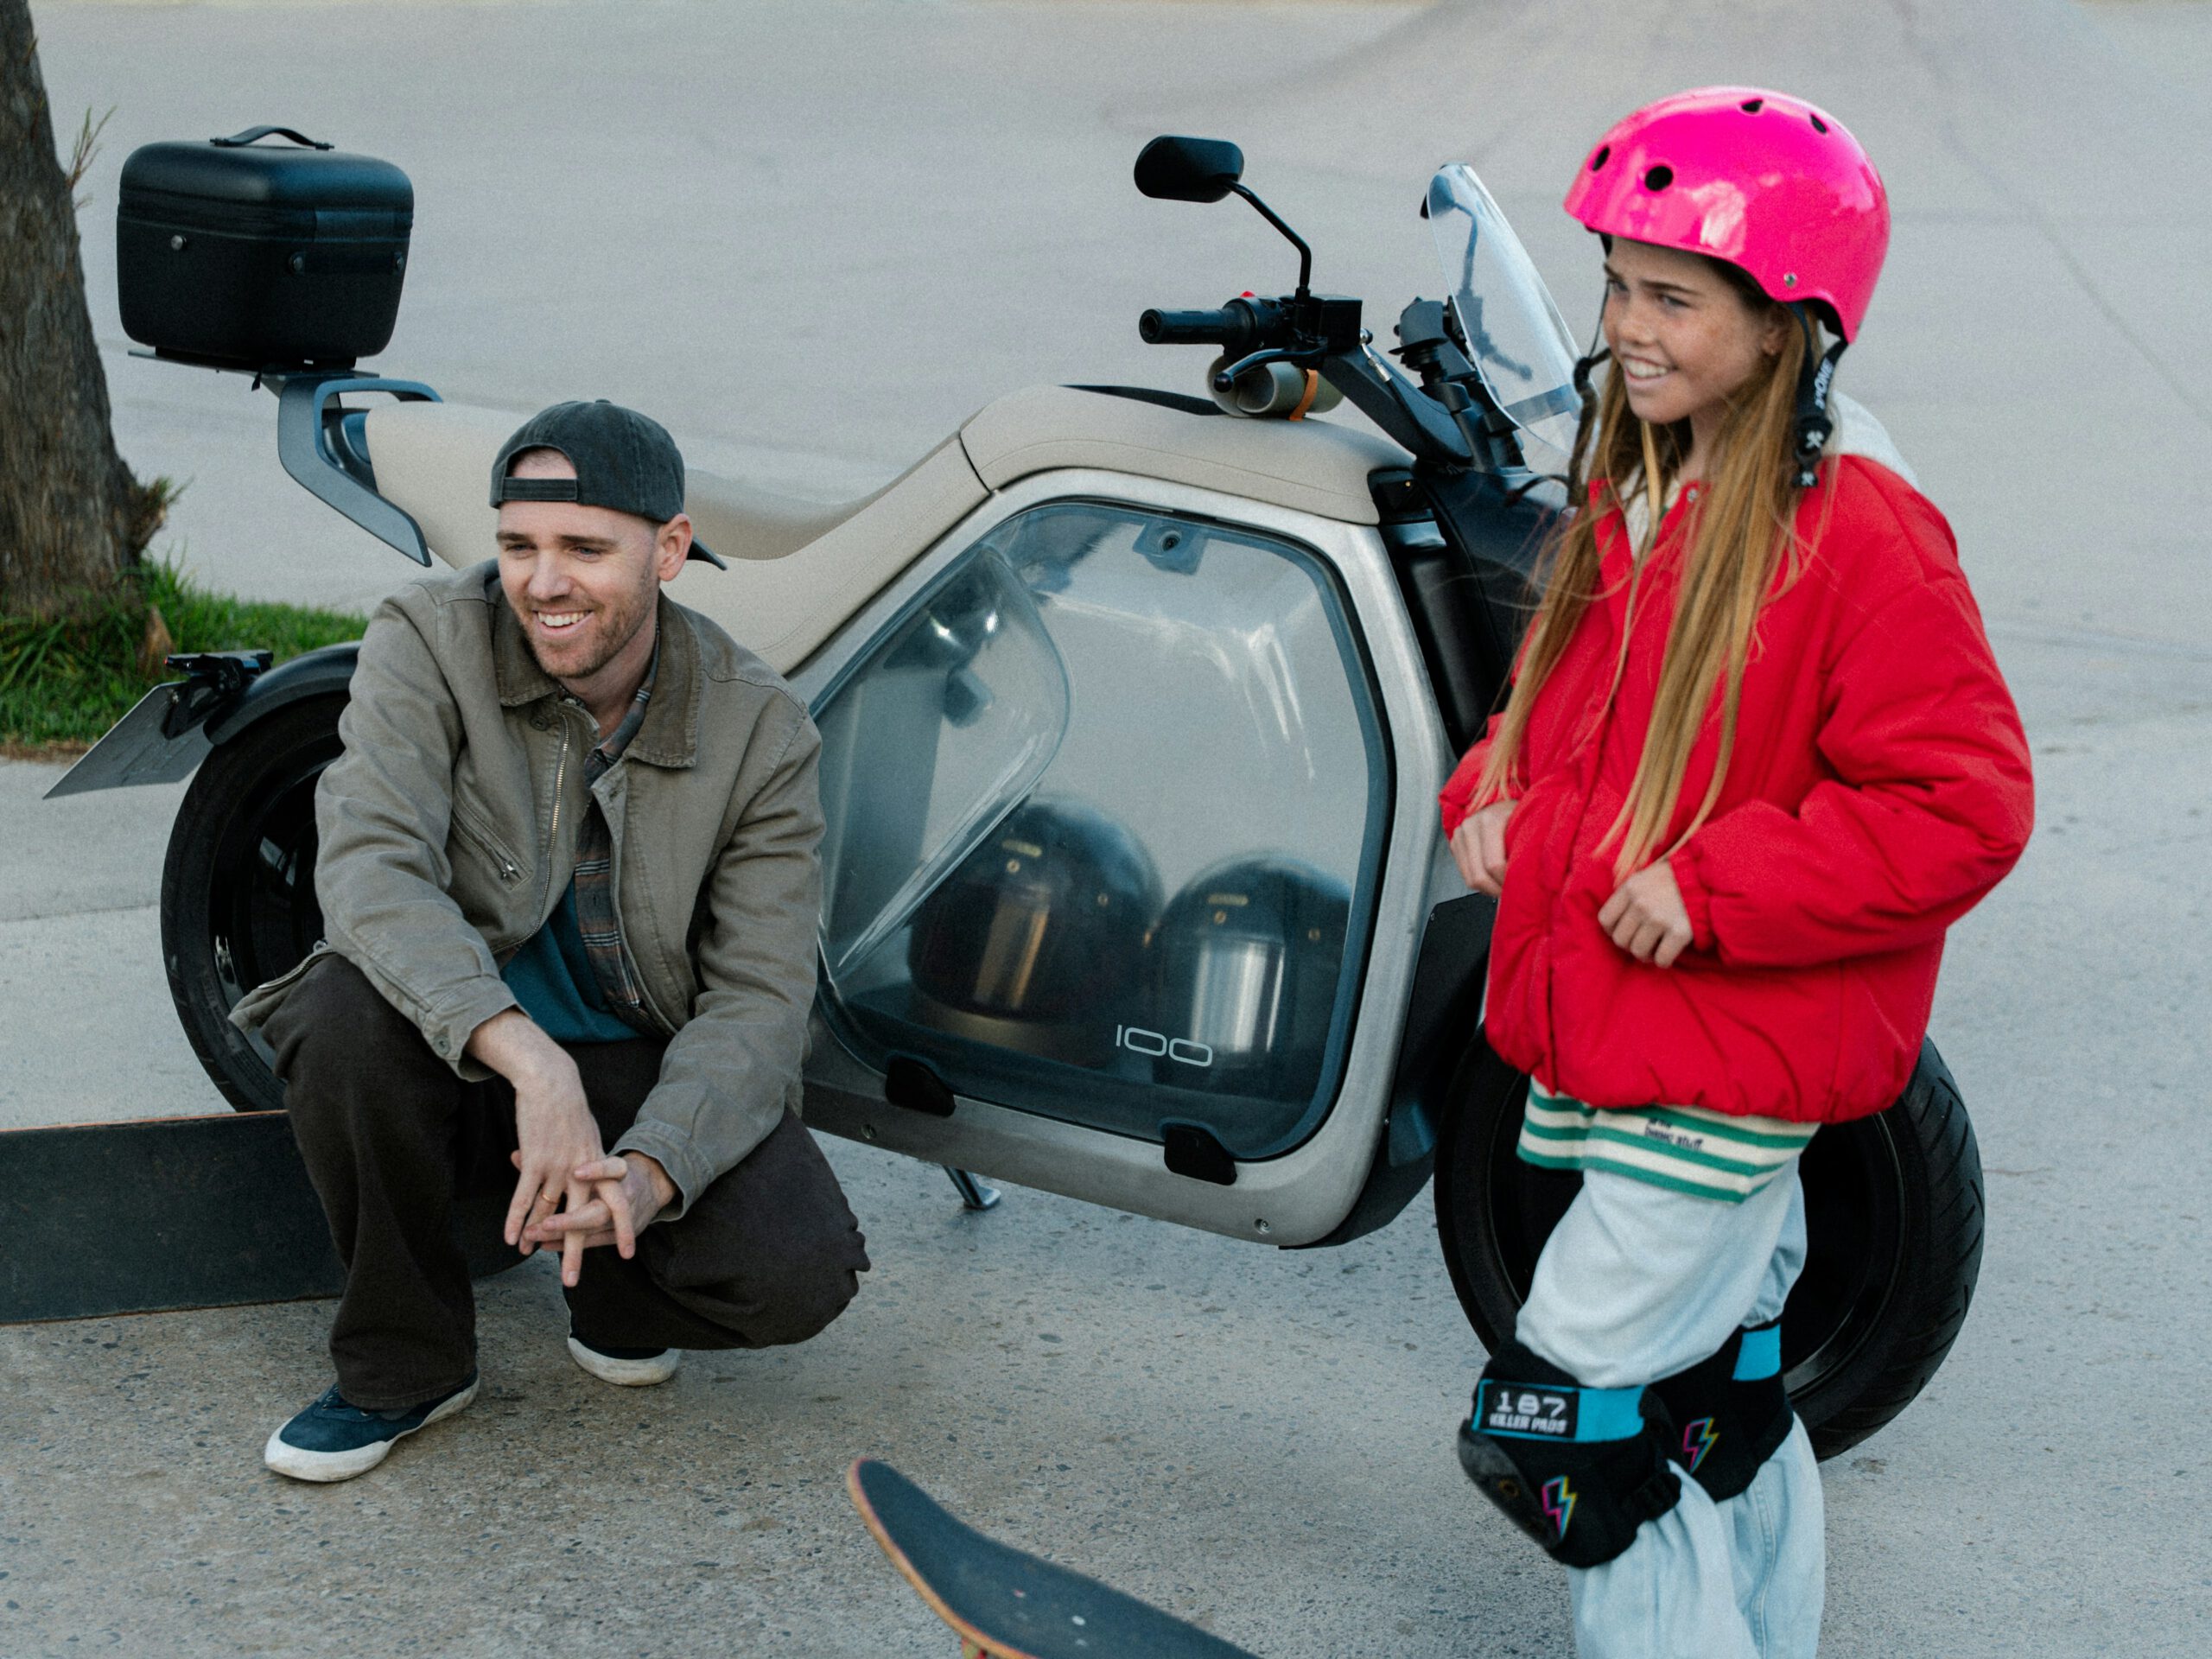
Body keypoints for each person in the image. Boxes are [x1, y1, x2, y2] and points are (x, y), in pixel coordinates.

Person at [1442, 90, 2033, 1656]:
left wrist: (1716, 887)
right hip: (1637, 1040)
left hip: (1721, 1050)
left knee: (1573, 1429)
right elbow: (1562, 715)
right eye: (1617, 286)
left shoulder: (1859, 534)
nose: (1628, 328)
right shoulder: (1648, 483)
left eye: (1673, 298)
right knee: (1715, 1398)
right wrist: (1492, 791)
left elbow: (1963, 803)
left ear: (1787, 324)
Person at [232, 399, 871, 1483]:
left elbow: (760, 1002)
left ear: (669, 549)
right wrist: (532, 1062)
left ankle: (608, 1285)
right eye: (518, 545)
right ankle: (405, 1363)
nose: (543, 582)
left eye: (584, 547)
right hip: (455, 1047)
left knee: (800, 1273)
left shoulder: (760, 729)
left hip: (632, 1061)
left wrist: (652, 1175)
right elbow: (370, 870)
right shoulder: (427, 639)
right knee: (337, 1012)